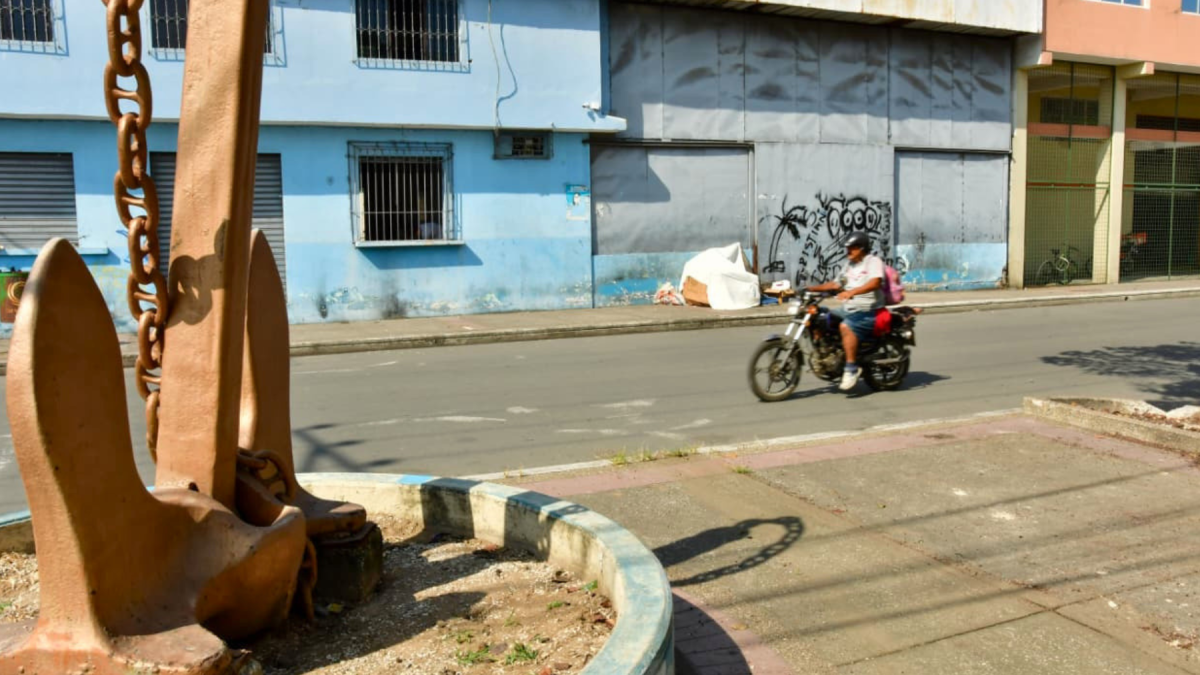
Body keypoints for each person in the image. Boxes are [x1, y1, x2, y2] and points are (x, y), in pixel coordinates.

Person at [804, 232, 884, 391]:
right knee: (819, 317)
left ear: (861, 248)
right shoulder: (849, 265)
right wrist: (810, 289)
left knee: (846, 327)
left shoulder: (872, 261)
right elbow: (835, 284)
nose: (848, 251)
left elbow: (875, 282)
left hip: (869, 310)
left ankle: (851, 368)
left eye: (851, 248)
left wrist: (852, 292)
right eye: (847, 248)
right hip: (848, 309)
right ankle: (828, 355)